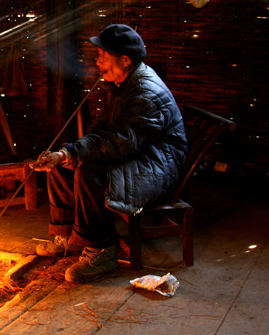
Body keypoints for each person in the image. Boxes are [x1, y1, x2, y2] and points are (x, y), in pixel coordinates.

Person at [32, 24, 188, 283]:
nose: (98, 61)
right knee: (61, 163)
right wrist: (65, 153)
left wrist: (75, 154)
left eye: (103, 55)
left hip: (156, 168)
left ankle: (101, 249)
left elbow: (119, 143)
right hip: (136, 155)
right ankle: (67, 237)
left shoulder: (145, 92)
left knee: (90, 171)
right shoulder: (124, 83)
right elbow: (103, 129)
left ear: (125, 60)